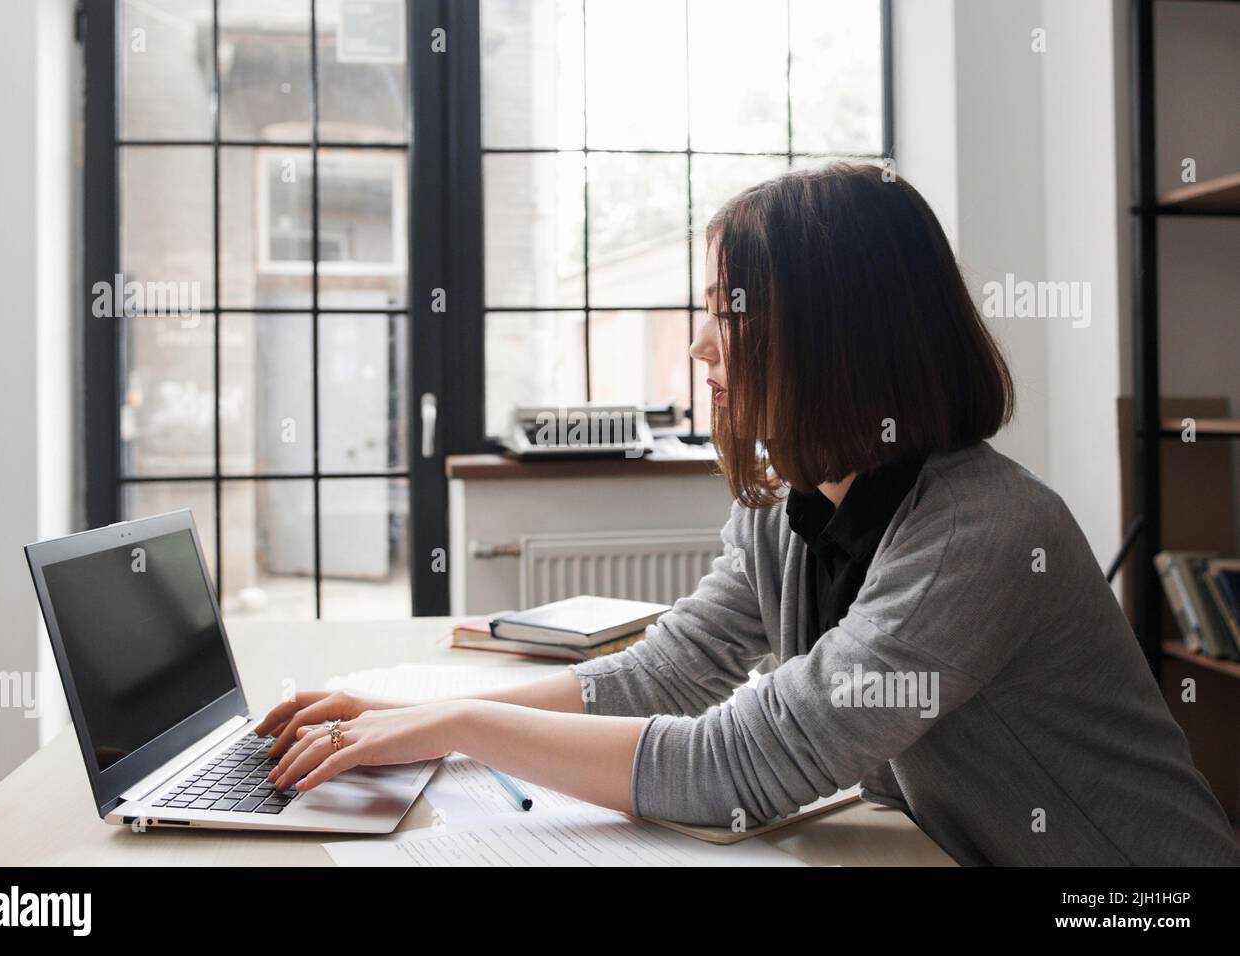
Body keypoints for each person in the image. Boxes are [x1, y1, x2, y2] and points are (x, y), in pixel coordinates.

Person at [257, 163, 1240, 866]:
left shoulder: (986, 534)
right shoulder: (791, 502)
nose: (698, 348)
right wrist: (410, 715)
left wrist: (464, 722)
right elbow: (667, 673)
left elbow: (743, 763)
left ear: (833, 333)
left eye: (726, 312)